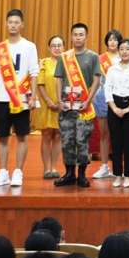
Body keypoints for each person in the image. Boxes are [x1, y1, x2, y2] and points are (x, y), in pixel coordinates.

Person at [0, 9, 40, 187]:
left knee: (22, 135)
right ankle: (3, 172)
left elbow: (34, 72)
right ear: (6, 24)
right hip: (2, 98)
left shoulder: (29, 46)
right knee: (2, 136)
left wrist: (33, 97)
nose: (13, 25)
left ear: (22, 25)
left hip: (22, 98)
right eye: (10, 22)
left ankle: (18, 171)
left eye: (17, 22)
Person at [54, 23, 102, 188]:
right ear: (71, 37)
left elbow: (97, 80)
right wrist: (59, 100)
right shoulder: (64, 57)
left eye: (81, 35)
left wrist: (88, 100)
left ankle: (82, 174)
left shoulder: (93, 56)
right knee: (67, 139)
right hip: (66, 104)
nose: (78, 38)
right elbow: (59, 79)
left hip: (84, 104)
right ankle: (69, 173)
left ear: (87, 37)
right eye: (75, 35)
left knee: (82, 140)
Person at [105, 39, 129, 188]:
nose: (124, 52)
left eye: (127, 49)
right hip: (114, 106)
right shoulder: (112, 69)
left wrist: (128, 108)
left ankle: (127, 175)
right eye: (121, 49)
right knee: (116, 144)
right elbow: (108, 90)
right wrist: (114, 108)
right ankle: (117, 174)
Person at [91, 29, 123, 180]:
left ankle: (119, 167)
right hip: (102, 98)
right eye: (110, 39)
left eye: (115, 39)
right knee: (104, 134)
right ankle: (104, 166)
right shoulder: (100, 59)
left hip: (120, 98)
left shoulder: (124, 57)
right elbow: (96, 80)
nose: (112, 42)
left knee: (119, 135)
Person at [35, 36, 64, 179]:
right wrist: (48, 101)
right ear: (49, 48)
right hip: (47, 104)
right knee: (46, 135)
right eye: (53, 45)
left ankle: (54, 167)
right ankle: (46, 168)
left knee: (58, 136)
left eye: (59, 45)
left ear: (64, 47)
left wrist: (61, 102)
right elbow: (39, 83)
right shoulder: (44, 63)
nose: (57, 48)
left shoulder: (67, 64)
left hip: (62, 105)